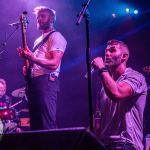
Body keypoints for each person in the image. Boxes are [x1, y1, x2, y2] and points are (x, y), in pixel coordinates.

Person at [17, 6, 67, 130]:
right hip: (35, 83)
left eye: (43, 16)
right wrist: (28, 66)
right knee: (36, 126)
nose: (39, 19)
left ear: (52, 18)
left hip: (47, 83)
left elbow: (54, 63)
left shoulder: (56, 36)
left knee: (47, 124)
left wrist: (33, 58)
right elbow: (36, 60)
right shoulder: (38, 40)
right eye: (38, 17)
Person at [92, 40, 147, 150]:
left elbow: (117, 93)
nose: (107, 54)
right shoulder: (104, 87)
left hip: (125, 144)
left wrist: (102, 68)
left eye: (112, 50)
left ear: (124, 57)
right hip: (105, 145)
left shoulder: (136, 77)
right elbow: (99, 120)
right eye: (106, 51)